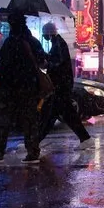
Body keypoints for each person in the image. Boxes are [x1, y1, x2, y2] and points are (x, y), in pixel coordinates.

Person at [0, 13, 43, 164]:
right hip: (29, 87)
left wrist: (4, 82)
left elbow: (4, 66)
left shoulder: (10, 43)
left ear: (12, 25)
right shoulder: (33, 42)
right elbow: (42, 61)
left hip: (10, 88)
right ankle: (33, 152)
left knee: (3, 120)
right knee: (29, 120)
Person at [37, 22, 94, 150]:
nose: (44, 36)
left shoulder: (58, 44)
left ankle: (34, 142)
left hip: (60, 86)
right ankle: (86, 139)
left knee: (50, 115)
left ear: (49, 33)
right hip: (61, 85)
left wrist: (47, 63)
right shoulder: (57, 43)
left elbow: (58, 64)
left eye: (44, 33)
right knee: (65, 114)